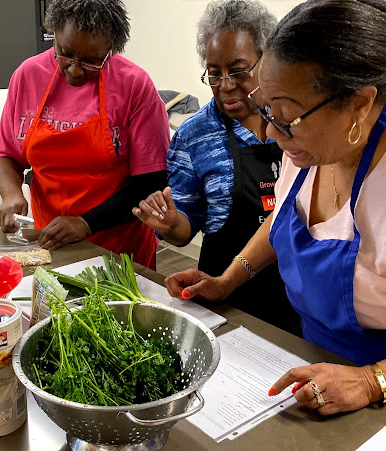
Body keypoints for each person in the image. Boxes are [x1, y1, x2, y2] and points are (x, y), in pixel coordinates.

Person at [162, 0, 386, 417]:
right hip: (316, 358)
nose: (273, 133)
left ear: (359, 105)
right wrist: (228, 279)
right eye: (267, 111)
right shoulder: (316, 133)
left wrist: (369, 380)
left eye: (286, 119)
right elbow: (287, 215)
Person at [132, 0, 301, 335]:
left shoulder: (296, 121)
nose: (225, 85)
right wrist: (169, 223)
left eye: (238, 71)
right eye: (214, 72)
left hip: (299, 294)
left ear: (265, 62)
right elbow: (184, 231)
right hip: (225, 294)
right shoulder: (196, 135)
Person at [0, 0, 169, 270]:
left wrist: (86, 223)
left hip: (119, 249)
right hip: (50, 241)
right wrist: (11, 194)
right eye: (65, 53)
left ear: (111, 50)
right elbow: (4, 154)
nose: (74, 69)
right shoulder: (28, 75)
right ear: (54, 34)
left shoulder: (134, 85)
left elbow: (149, 185)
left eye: (91, 61)